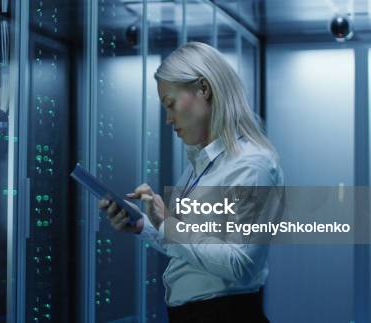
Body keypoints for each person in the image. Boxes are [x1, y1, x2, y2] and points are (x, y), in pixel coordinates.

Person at [99, 42, 284, 323]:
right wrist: (143, 225)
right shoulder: (199, 165)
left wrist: (168, 224)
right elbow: (191, 252)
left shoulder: (252, 165)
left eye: (170, 104)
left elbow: (242, 264)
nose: (168, 119)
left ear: (203, 89)